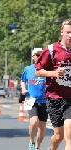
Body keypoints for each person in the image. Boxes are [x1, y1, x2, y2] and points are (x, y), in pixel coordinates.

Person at [35, 18, 71, 150]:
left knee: (69, 134)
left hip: (70, 98)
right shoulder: (51, 49)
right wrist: (54, 73)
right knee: (58, 136)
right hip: (54, 97)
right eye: (68, 32)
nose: (70, 35)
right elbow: (38, 72)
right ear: (62, 32)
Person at [21, 48, 48, 150]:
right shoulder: (28, 69)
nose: (39, 57)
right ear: (33, 57)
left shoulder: (47, 69)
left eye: (41, 55)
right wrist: (23, 88)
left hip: (44, 100)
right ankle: (31, 141)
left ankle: (37, 147)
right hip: (30, 99)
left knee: (42, 127)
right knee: (33, 121)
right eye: (37, 55)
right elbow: (22, 80)